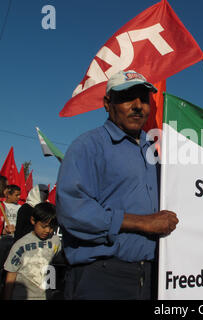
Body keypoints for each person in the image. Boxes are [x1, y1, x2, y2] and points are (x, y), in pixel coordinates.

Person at [56, 70, 179, 300]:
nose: (137, 105)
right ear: (107, 103)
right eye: (127, 97)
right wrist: (142, 222)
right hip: (102, 278)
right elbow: (72, 211)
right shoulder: (88, 147)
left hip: (155, 277)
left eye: (143, 98)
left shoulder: (157, 154)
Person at [3, 202, 61, 300]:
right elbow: (11, 276)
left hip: (46, 296)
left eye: (51, 227)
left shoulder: (55, 241)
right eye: (43, 226)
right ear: (33, 220)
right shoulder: (20, 245)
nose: (47, 230)